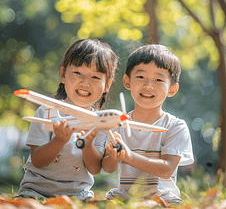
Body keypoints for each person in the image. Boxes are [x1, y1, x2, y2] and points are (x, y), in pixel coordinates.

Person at [18, 39, 118, 201]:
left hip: (78, 195)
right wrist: (59, 141)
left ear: (107, 85)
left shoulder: (101, 122)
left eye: (95, 77)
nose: (85, 82)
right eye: (78, 73)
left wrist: (88, 145)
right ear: (63, 75)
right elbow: (37, 160)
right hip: (36, 192)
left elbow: (94, 168)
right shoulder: (46, 111)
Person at [102, 44, 194, 204]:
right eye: (140, 77)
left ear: (172, 89)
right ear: (127, 81)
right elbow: (108, 168)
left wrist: (129, 156)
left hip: (162, 200)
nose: (148, 85)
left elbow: (167, 170)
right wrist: (113, 155)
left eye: (159, 79)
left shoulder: (175, 126)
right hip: (124, 198)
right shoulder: (118, 123)